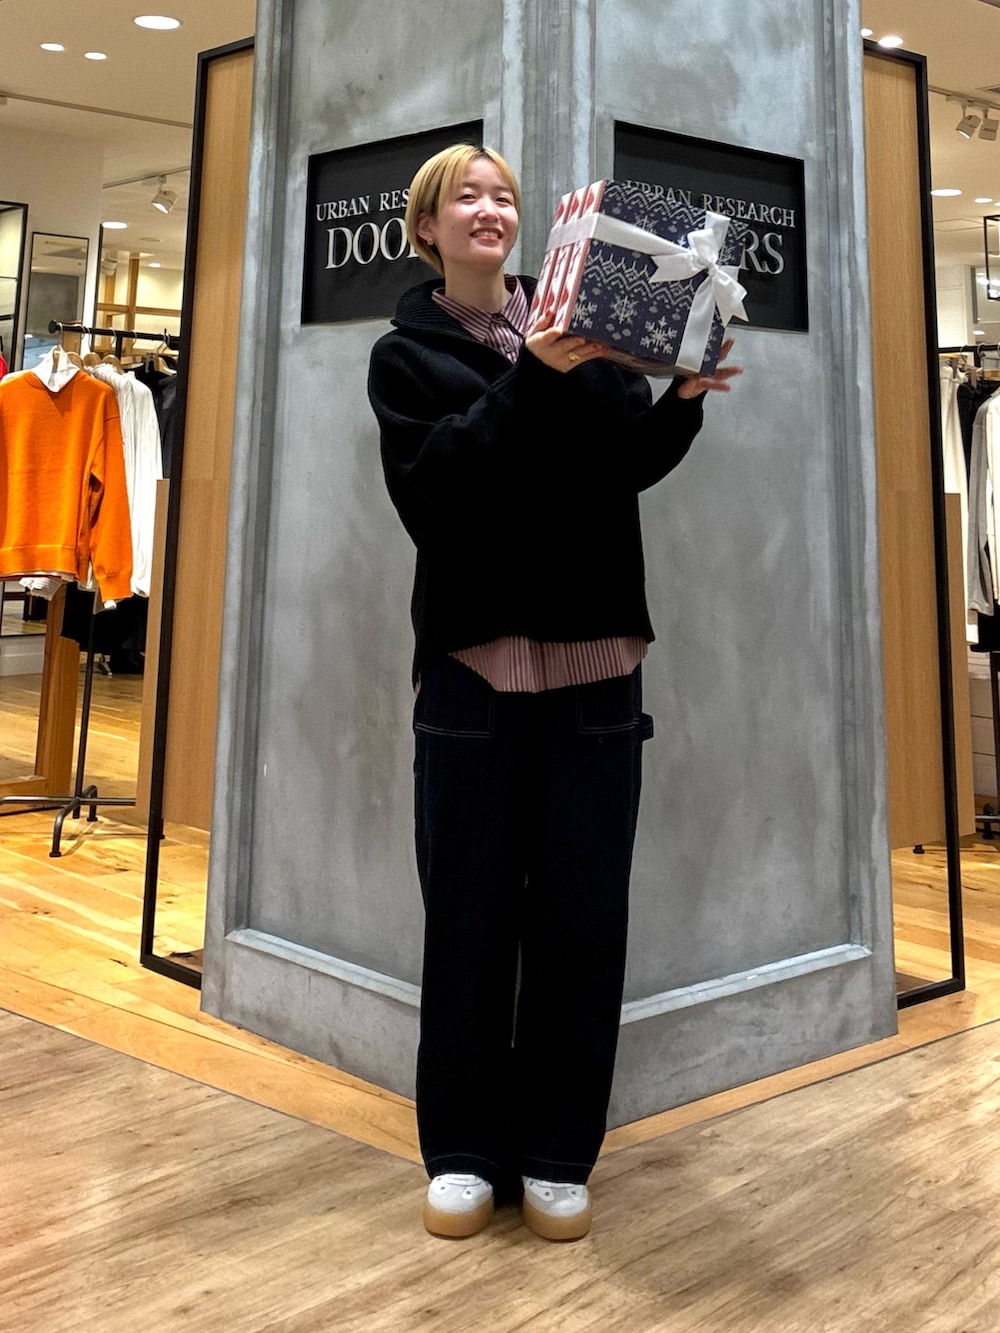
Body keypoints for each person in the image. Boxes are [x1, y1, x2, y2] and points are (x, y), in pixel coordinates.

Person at [367, 143, 740, 1242]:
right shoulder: (405, 355)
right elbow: (437, 492)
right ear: (426, 228)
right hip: (472, 671)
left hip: (599, 666)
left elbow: (622, 466)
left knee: (583, 916)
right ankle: (464, 1150)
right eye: (464, 197)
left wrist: (681, 399)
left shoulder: (588, 322)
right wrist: (533, 373)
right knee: (469, 915)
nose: (489, 208)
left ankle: (558, 1149)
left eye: (503, 195)